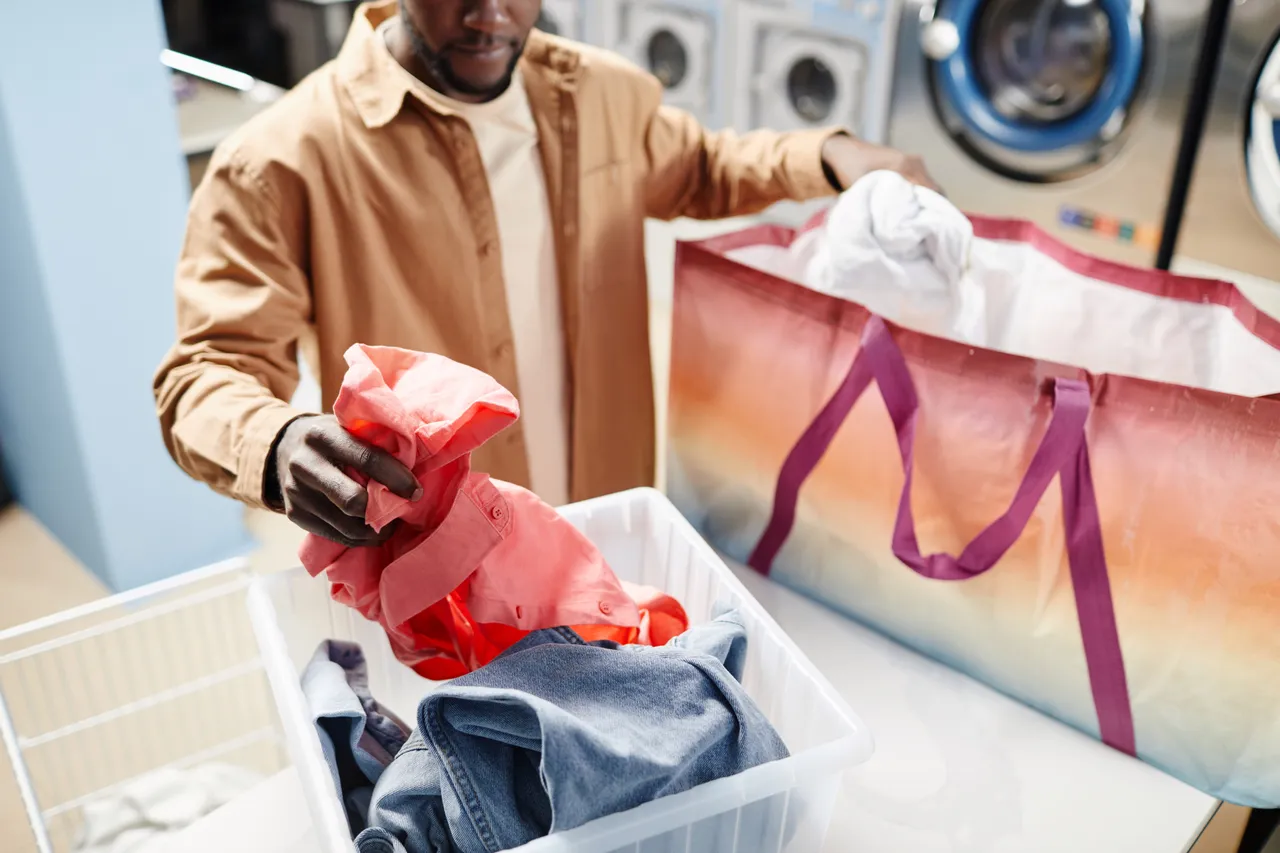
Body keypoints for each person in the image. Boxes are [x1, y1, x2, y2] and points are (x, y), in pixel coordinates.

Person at [154, 0, 938, 548]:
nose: (491, 14)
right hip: (439, 562)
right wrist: (277, 438)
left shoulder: (599, 95)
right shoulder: (281, 160)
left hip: (607, 522)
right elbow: (205, 374)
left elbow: (703, 165)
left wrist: (834, 155)